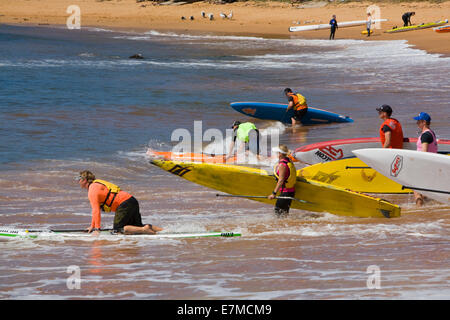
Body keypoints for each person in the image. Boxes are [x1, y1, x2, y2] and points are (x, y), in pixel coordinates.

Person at [77, 170, 162, 235]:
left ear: (84, 180)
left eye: (79, 179)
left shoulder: (92, 190)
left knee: (117, 230)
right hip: (131, 200)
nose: (78, 181)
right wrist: (93, 226)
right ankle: (162, 231)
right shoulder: (97, 185)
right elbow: (97, 209)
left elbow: (96, 211)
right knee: (137, 225)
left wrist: (97, 229)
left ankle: (145, 229)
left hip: (124, 203)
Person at [413, 112, 438, 206]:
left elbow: (424, 152)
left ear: (424, 122)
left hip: (425, 165)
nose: (417, 123)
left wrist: (420, 166)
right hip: (431, 165)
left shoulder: (425, 135)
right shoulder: (431, 133)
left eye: (418, 121)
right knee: (424, 191)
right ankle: (427, 210)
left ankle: (419, 209)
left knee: (414, 187)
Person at [268, 145, 297, 217]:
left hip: (285, 193)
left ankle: (282, 228)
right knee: (284, 215)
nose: (275, 154)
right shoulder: (288, 160)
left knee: (278, 215)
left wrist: (273, 193)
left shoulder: (282, 165)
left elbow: (281, 180)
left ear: (280, 154)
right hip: (290, 192)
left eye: (276, 152)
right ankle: (285, 227)